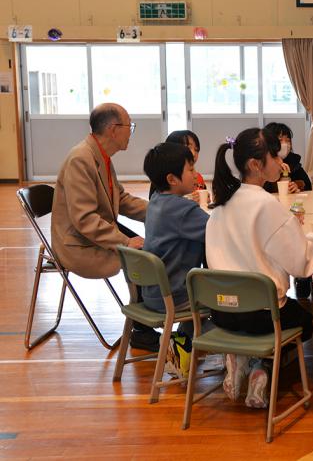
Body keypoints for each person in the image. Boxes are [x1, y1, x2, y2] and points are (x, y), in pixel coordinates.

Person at [206, 128, 313, 408]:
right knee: (306, 323)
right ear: (255, 165)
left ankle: (240, 359)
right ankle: (263, 366)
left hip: (222, 312)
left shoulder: (220, 206)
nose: (280, 161)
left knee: (260, 317)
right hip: (263, 316)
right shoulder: (265, 205)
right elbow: (301, 264)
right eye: (274, 155)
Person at [51, 103, 157, 351]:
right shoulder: (81, 159)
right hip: (78, 245)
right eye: (129, 126)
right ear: (113, 129)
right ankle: (142, 329)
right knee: (141, 255)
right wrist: (124, 242)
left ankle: (143, 323)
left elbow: (121, 199)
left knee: (147, 247)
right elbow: (85, 219)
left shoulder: (100, 157)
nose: (131, 131)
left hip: (93, 235)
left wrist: (160, 211)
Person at [142, 142, 210, 378]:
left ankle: (181, 344)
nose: (196, 174)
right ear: (172, 178)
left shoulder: (155, 203)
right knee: (231, 305)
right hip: (175, 296)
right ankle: (231, 351)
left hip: (152, 292)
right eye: (190, 170)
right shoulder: (183, 210)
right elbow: (219, 231)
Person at [148, 130, 207, 200]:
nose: (193, 154)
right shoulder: (165, 182)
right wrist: (186, 200)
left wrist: (204, 198)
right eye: (188, 148)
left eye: (196, 149)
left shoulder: (198, 177)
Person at [262, 122, 312, 193]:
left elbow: (308, 185)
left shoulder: (293, 161)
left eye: (288, 140)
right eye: (280, 140)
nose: (285, 144)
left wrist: (297, 185)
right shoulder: (261, 164)